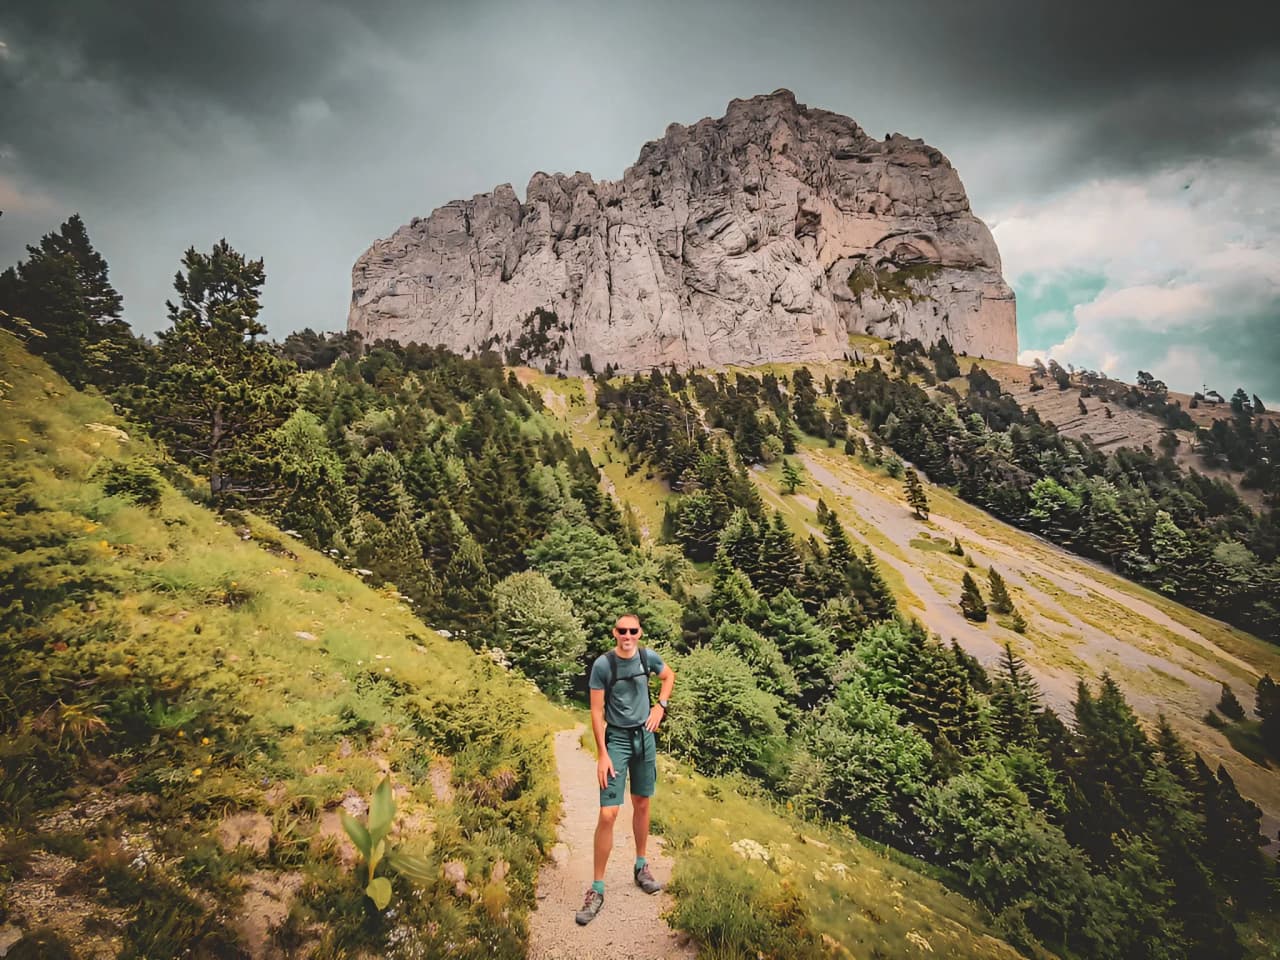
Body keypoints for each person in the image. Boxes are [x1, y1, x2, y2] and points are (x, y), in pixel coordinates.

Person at [574, 612, 675, 926]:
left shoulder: (648, 658)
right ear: (614, 633)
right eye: (622, 630)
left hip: (644, 738)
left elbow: (668, 676)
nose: (628, 635)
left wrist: (661, 706)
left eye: (633, 630)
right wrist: (602, 754)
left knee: (642, 803)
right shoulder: (604, 665)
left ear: (640, 632)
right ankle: (597, 887)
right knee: (609, 813)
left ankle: (641, 866)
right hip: (616, 738)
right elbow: (595, 711)